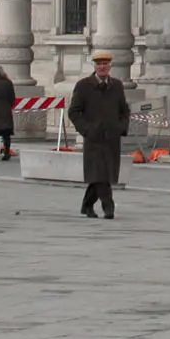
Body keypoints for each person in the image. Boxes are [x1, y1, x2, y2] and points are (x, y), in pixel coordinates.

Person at [66, 50, 128, 219]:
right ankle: (109, 207)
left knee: (102, 173)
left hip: (111, 137)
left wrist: (121, 127)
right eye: (99, 64)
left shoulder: (116, 85)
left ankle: (87, 205)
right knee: (101, 172)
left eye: (105, 64)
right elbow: (73, 111)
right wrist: (86, 129)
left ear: (110, 66)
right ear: (94, 66)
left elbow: (124, 110)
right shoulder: (84, 85)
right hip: (94, 138)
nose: (102, 67)